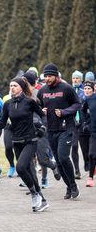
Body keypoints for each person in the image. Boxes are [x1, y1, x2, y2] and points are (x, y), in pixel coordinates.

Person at [0, 77, 49, 212]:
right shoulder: (7, 104)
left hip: (30, 140)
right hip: (17, 141)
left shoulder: (30, 102)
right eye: (10, 86)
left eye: (14, 85)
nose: (12, 88)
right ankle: (41, 199)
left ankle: (34, 195)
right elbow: (3, 121)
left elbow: (42, 115)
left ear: (21, 87)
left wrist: (42, 128)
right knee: (28, 171)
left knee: (20, 168)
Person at [37, 63, 81, 200]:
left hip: (66, 128)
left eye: (50, 76)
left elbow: (77, 104)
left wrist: (64, 112)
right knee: (58, 160)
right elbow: (37, 106)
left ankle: (73, 185)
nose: (47, 79)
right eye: (45, 76)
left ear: (56, 75)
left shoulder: (66, 88)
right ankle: (68, 186)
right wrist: (40, 111)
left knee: (63, 157)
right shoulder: (42, 90)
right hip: (50, 130)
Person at [81, 81, 96, 187]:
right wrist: (86, 122)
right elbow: (83, 110)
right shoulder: (90, 99)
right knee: (91, 154)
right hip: (93, 131)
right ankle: (90, 177)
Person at [71, 70, 85, 179]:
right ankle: (76, 170)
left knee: (86, 148)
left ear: (81, 79)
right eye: (74, 78)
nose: (75, 80)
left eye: (77, 78)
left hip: (84, 122)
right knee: (74, 146)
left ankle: (89, 163)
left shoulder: (85, 89)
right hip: (73, 122)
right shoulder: (69, 89)